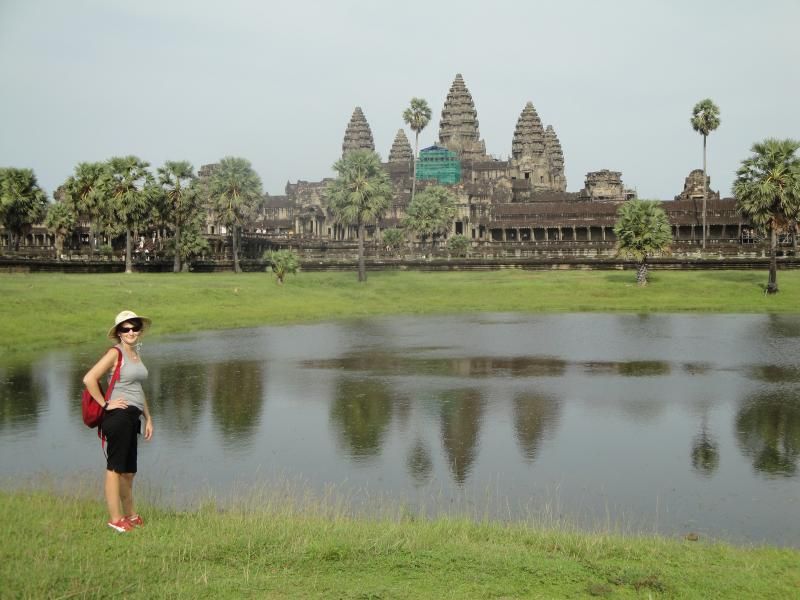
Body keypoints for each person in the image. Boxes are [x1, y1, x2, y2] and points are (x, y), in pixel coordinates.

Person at [83, 310, 154, 532]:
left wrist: (148, 418)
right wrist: (105, 404)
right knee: (115, 468)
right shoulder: (116, 352)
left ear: (139, 331)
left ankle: (130, 515)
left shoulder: (134, 353)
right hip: (118, 417)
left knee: (129, 471)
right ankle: (115, 519)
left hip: (133, 418)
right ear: (119, 333)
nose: (131, 331)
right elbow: (89, 378)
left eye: (134, 327)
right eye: (126, 328)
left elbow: (137, 389)